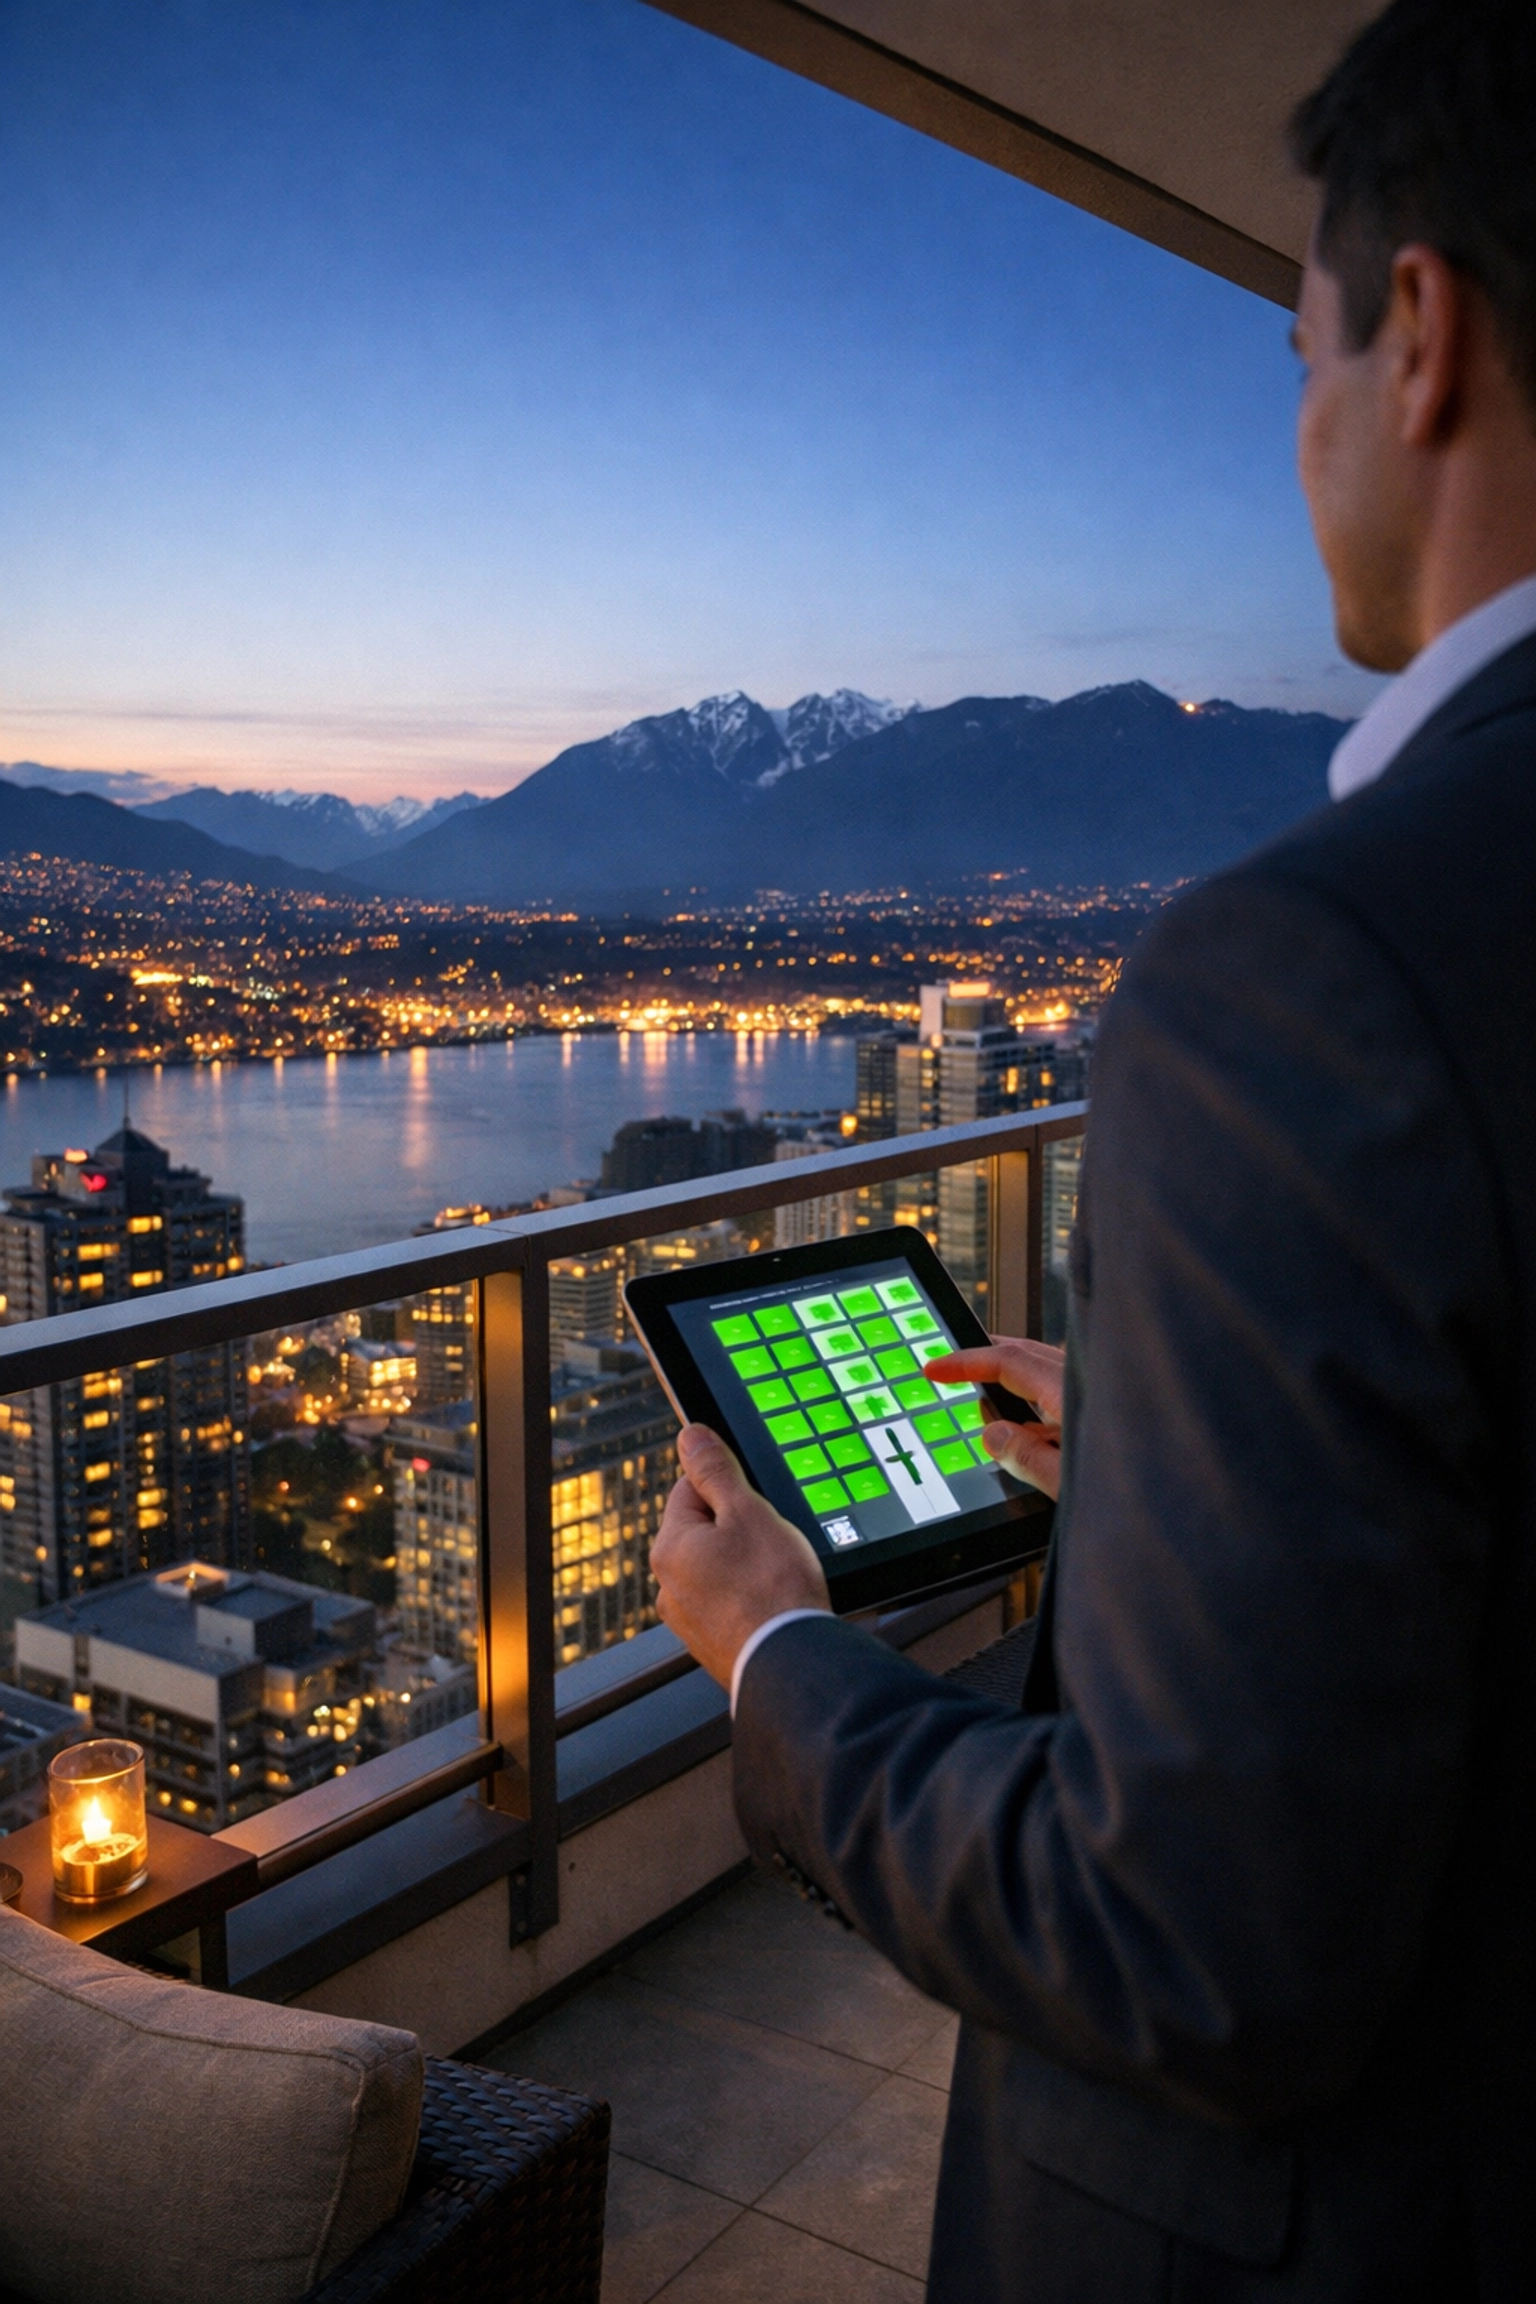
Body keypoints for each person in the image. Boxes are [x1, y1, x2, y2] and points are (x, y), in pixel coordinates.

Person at [649, 2, 1536, 2295]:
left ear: (1418, 337)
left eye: (1298, 348)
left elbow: (1189, 1940)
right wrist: (1170, 1450)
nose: (1302, 426)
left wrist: (772, 1663)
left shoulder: (1314, 974)